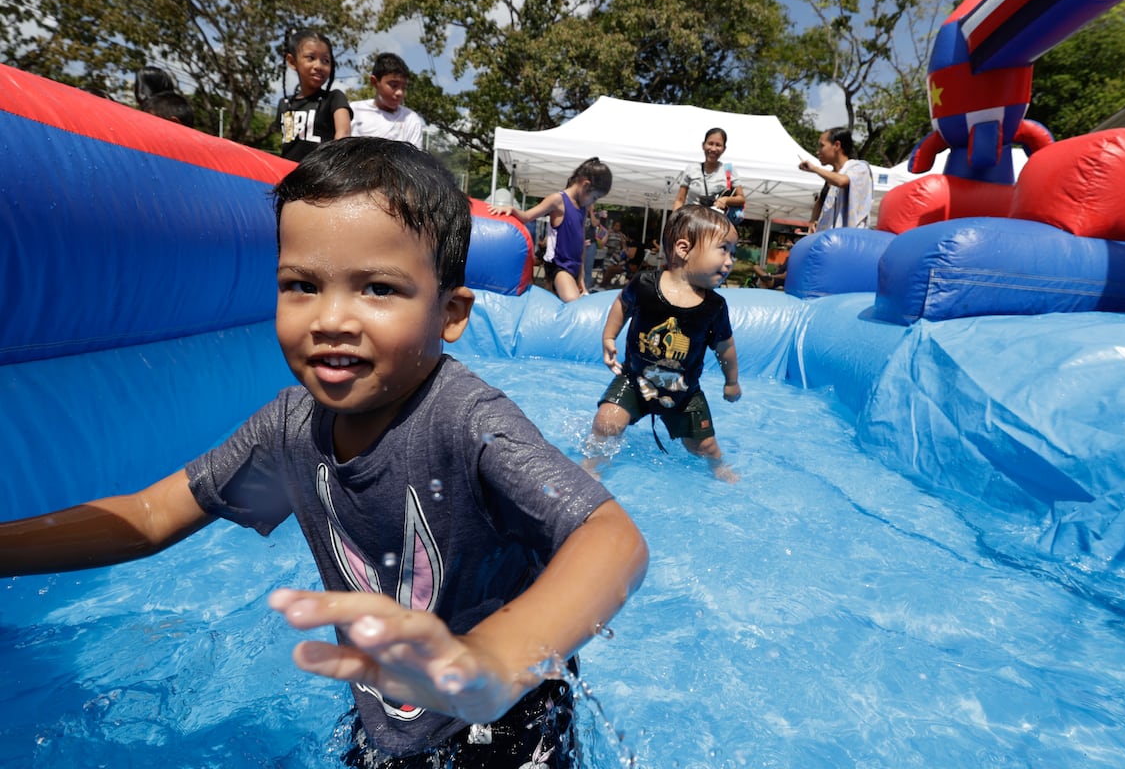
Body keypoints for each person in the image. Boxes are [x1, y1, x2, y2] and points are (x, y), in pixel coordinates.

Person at [0, 138, 648, 769]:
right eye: (301, 284)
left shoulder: (463, 422)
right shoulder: (289, 438)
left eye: (378, 289)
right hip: (386, 714)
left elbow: (610, 537)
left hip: (503, 716)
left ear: (450, 314)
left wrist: (493, 660)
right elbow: (148, 518)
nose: (331, 317)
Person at [583, 205, 742, 483]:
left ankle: (719, 467)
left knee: (703, 447)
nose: (730, 261)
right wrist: (609, 337)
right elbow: (622, 304)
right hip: (635, 380)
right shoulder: (645, 284)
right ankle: (591, 466)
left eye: (733, 252)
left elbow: (725, 347)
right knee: (606, 422)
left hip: (683, 393)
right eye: (723, 249)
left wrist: (732, 381)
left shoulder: (714, 307)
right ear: (684, 248)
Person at [487, 157, 611, 302]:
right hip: (559, 266)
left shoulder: (582, 208)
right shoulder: (557, 200)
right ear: (585, 185)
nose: (593, 202)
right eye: (594, 197)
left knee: (578, 301)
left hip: (575, 266)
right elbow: (527, 216)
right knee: (573, 302)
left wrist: (582, 277)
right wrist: (511, 209)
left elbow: (581, 243)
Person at [275, 28, 352, 162]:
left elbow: (343, 135)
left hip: (320, 176)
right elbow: (286, 141)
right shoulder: (284, 104)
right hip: (288, 175)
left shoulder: (334, 98)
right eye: (311, 58)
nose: (318, 66)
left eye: (325, 61)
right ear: (292, 61)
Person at [799, 126, 874, 231]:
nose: (818, 151)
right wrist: (813, 220)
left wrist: (815, 169)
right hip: (828, 238)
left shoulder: (859, 167)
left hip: (849, 238)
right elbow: (821, 201)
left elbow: (842, 181)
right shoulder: (831, 176)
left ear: (837, 145)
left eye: (822, 146)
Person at [350, 52, 425, 147]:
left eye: (404, 87)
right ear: (374, 82)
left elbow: (414, 159)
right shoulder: (353, 111)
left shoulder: (410, 119)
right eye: (394, 85)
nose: (400, 93)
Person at [673, 127, 746, 222]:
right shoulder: (691, 169)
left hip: (716, 225)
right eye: (710, 143)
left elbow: (741, 198)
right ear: (703, 145)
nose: (713, 149)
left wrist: (725, 200)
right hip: (691, 222)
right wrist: (674, 221)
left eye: (718, 145)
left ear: (724, 149)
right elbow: (680, 199)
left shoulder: (729, 170)